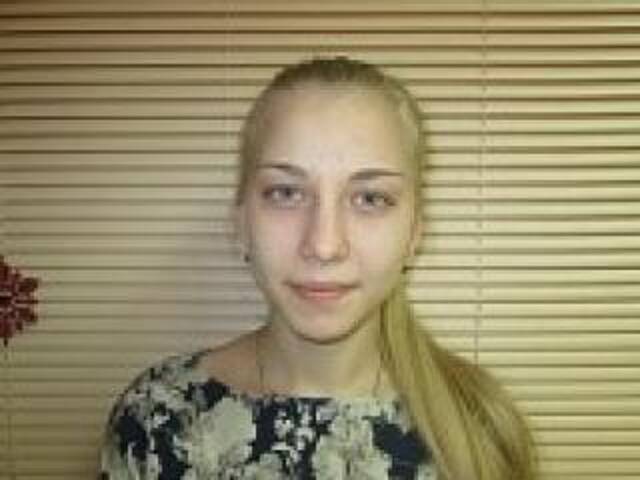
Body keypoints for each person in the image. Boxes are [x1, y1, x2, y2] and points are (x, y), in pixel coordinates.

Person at [98, 56, 537, 479]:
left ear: (414, 234)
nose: (324, 246)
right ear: (241, 224)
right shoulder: (158, 422)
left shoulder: (480, 425)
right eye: (286, 193)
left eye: (370, 198)